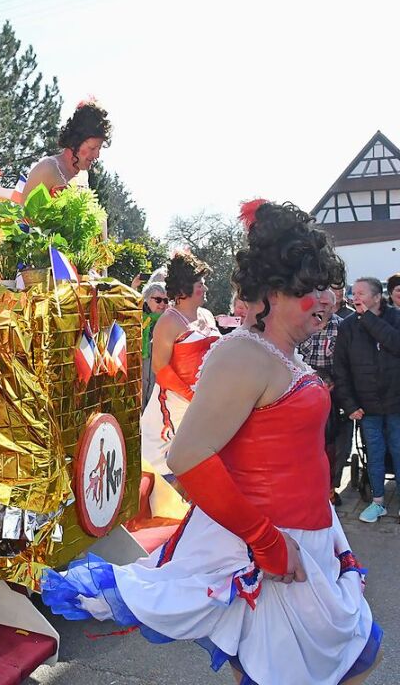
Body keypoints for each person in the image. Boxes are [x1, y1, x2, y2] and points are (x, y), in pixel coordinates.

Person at [42, 201, 380, 685]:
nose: (328, 300)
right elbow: (187, 455)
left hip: (310, 540)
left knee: (344, 661)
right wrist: (266, 542)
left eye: (330, 286)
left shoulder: (282, 352)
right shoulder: (244, 352)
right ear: (274, 290)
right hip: (273, 552)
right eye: (314, 287)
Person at [139, 252, 220, 478]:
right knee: (166, 475)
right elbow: (160, 369)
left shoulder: (207, 315)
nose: (205, 289)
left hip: (205, 406)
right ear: (184, 289)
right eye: (200, 284)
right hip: (173, 406)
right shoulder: (169, 321)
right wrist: (191, 397)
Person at [333, 276, 400, 523]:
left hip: (396, 402)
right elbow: (341, 368)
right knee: (374, 453)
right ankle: (378, 502)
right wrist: (349, 405)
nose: (355, 297)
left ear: (376, 296)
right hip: (366, 406)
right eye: (354, 292)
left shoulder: (396, 317)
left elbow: (395, 344)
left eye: (361, 293)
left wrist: (368, 319)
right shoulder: (348, 326)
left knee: (398, 450)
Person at [15, 100, 111, 203]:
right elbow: (24, 215)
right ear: (75, 141)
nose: (97, 155)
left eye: (99, 148)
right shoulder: (47, 169)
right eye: (92, 148)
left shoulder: (83, 175)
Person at [298, 300, 344, 504]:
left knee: (331, 443)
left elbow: (346, 361)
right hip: (303, 388)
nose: (323, 309)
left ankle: (330, 489)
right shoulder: (301, 324)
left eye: (328, 304)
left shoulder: (342, 326)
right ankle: (306, 488)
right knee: (304, 443)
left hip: (333, 391)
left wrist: (332, 382)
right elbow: (293, 355)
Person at [140, 281, 168, 404]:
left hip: (158, 378)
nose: (162, 304)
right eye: (158, 300)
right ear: (147, 299)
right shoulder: (135, 317)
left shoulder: (169, 321)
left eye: (165, 300)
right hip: (139, 373)